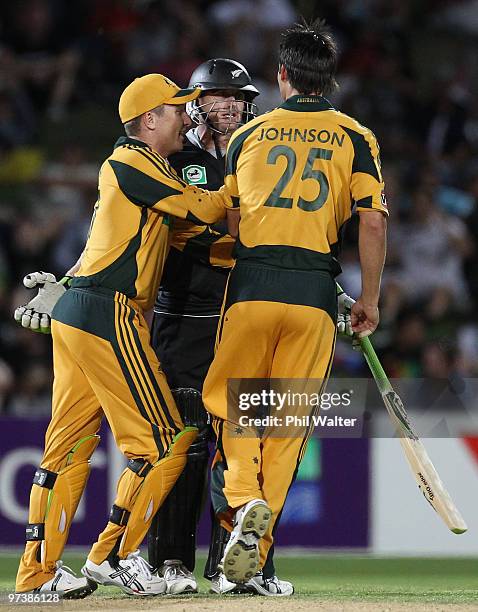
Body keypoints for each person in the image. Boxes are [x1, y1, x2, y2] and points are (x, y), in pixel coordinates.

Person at [14, 73, 230, 598]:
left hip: (80, 308)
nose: (187, 116)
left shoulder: (150, 174)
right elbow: (205, 208)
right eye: (177, 109)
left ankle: (36, 576)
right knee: (166, 443)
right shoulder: (134, 161)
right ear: (149, 119)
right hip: (108, 310)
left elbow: (203, 239)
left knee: (67, 447)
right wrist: (244, 174)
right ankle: (115, 554)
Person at [202, 18, 388, 585]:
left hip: (253, 286)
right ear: (329, 81)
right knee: (286, 425)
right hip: (313, 295)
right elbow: (373, 222)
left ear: (281, 76)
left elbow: (232, 219)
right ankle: (255, 556)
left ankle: (239, 495)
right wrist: (369, 301)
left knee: (231, 406)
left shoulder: (247, 136)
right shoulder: (356, 135)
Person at [147, 58, 292, 596]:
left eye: (239, 97)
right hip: (182, 317)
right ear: (196, 103)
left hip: (241, 318)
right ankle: (169, 565)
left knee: (241, 446)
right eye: (220, 96)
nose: (232, 105)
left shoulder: (256, 156)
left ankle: (240, 567)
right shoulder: (173, 156)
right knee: (183, 442)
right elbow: (179, 229)